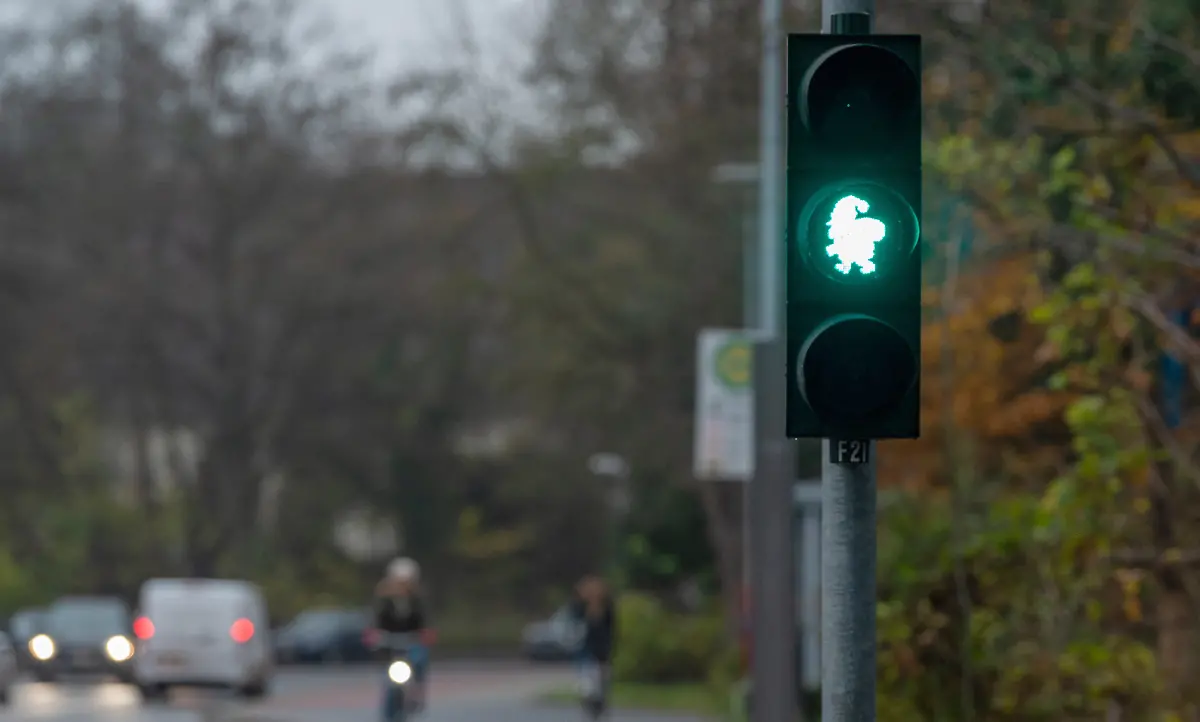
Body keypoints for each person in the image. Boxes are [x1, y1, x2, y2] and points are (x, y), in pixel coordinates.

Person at [373, 557, 432, 715]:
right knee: (388, 678)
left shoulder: (417, 601)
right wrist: (376, 636)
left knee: (420, 658)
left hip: (411, 644)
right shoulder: (385, 601)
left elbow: (423, 623)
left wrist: (424, 636)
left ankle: (417, 690)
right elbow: (378, 623)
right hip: (391, 645)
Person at [567, 575, 617, 715]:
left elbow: (610, 629)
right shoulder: (579, 607)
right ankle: (590, 705)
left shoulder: (606, 607)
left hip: (601, 649)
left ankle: (598, 706)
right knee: (587, 682)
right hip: (585, 649)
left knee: (601, 681)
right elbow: (574, 624)